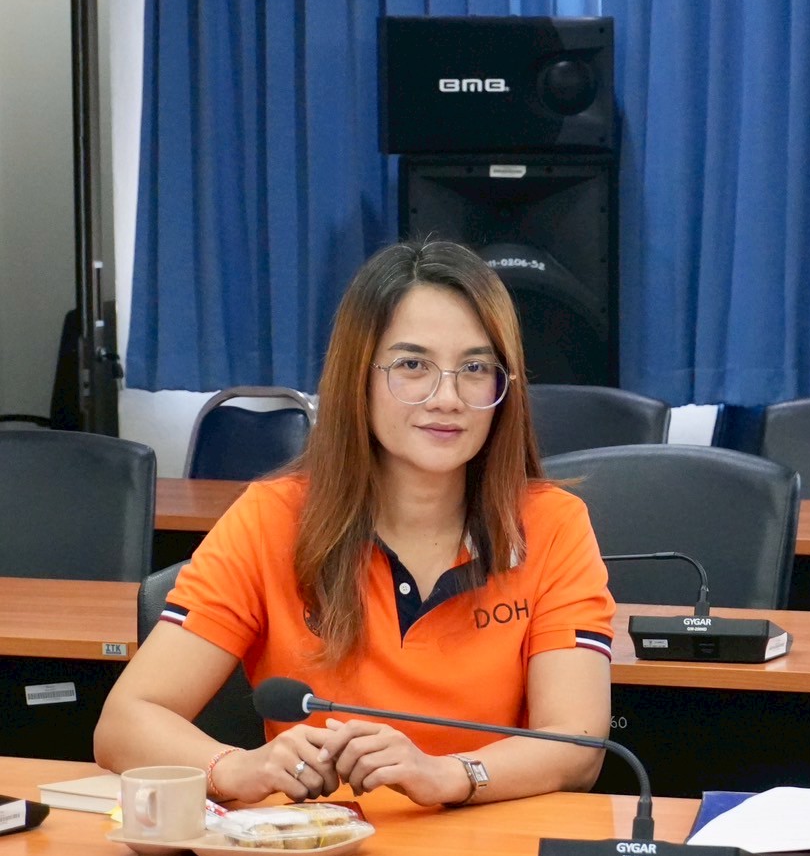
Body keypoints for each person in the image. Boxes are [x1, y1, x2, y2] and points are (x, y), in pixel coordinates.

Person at [95, 241, 615, 808]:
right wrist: (238, 767)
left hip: (484, 841)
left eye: (475, 368)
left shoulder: (551, 524)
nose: (447, 398)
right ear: (357, 378)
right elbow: (124, 723)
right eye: (412, 366)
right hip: (315, 842)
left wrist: (447, 774)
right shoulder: (271, 518)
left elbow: (577, 745)